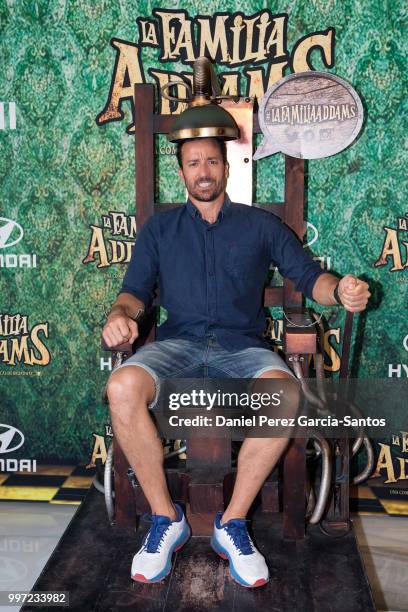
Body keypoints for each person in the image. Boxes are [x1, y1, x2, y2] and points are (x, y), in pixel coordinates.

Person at [102, 137, 370, 588]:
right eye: (193, 163)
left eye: (211, 161)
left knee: (285, 394)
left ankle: (233, 523)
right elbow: (134, 292)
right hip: (178, 344)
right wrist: (119, 315)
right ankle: (167, 520)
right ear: (182, 172)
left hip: (241, 347)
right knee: (122, 386)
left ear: (226, 168)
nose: (203, 171)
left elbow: (309, 277)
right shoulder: (158, 230)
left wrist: (339, 289)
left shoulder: (259, 226)